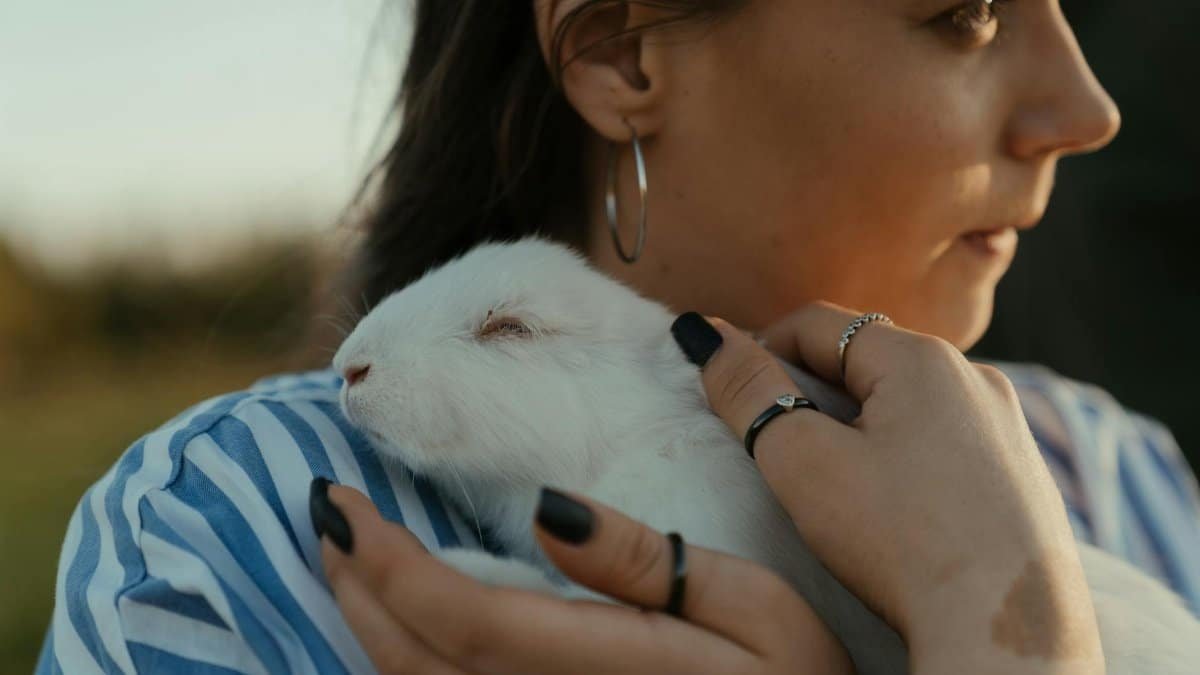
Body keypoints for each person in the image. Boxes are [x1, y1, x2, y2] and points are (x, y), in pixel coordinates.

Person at [36, 0, 1200, 673]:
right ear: (620, 53)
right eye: (967, 10)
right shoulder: (230, 532)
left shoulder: (1122, 473)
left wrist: (1012, 642)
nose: (1087, 108)